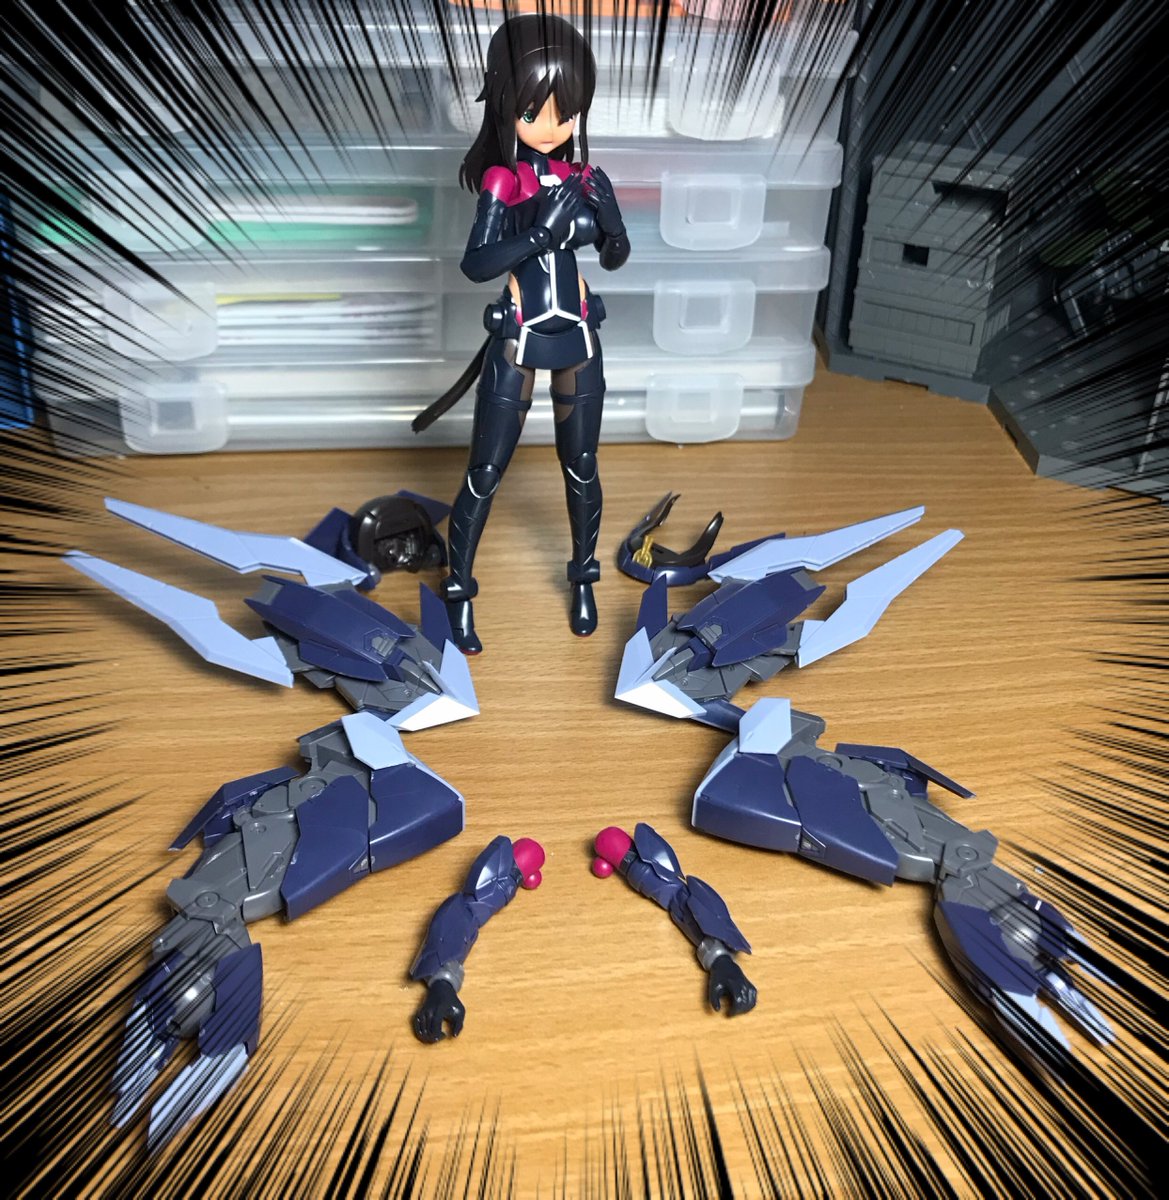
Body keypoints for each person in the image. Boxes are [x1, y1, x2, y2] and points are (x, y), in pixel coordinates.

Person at [413, 14, 630, 653]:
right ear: (507, 103)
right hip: (518, 331)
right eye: (536, 111)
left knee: (582, 465)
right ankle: (459, 590)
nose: (553, 126)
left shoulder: (581, 176)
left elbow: (614, 256)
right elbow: (477, 263)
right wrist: (538, 232)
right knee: (486, 469)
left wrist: (612, 221)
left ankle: (583, 579)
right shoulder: (504, 179)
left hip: (578, 331)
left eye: (567, 112)